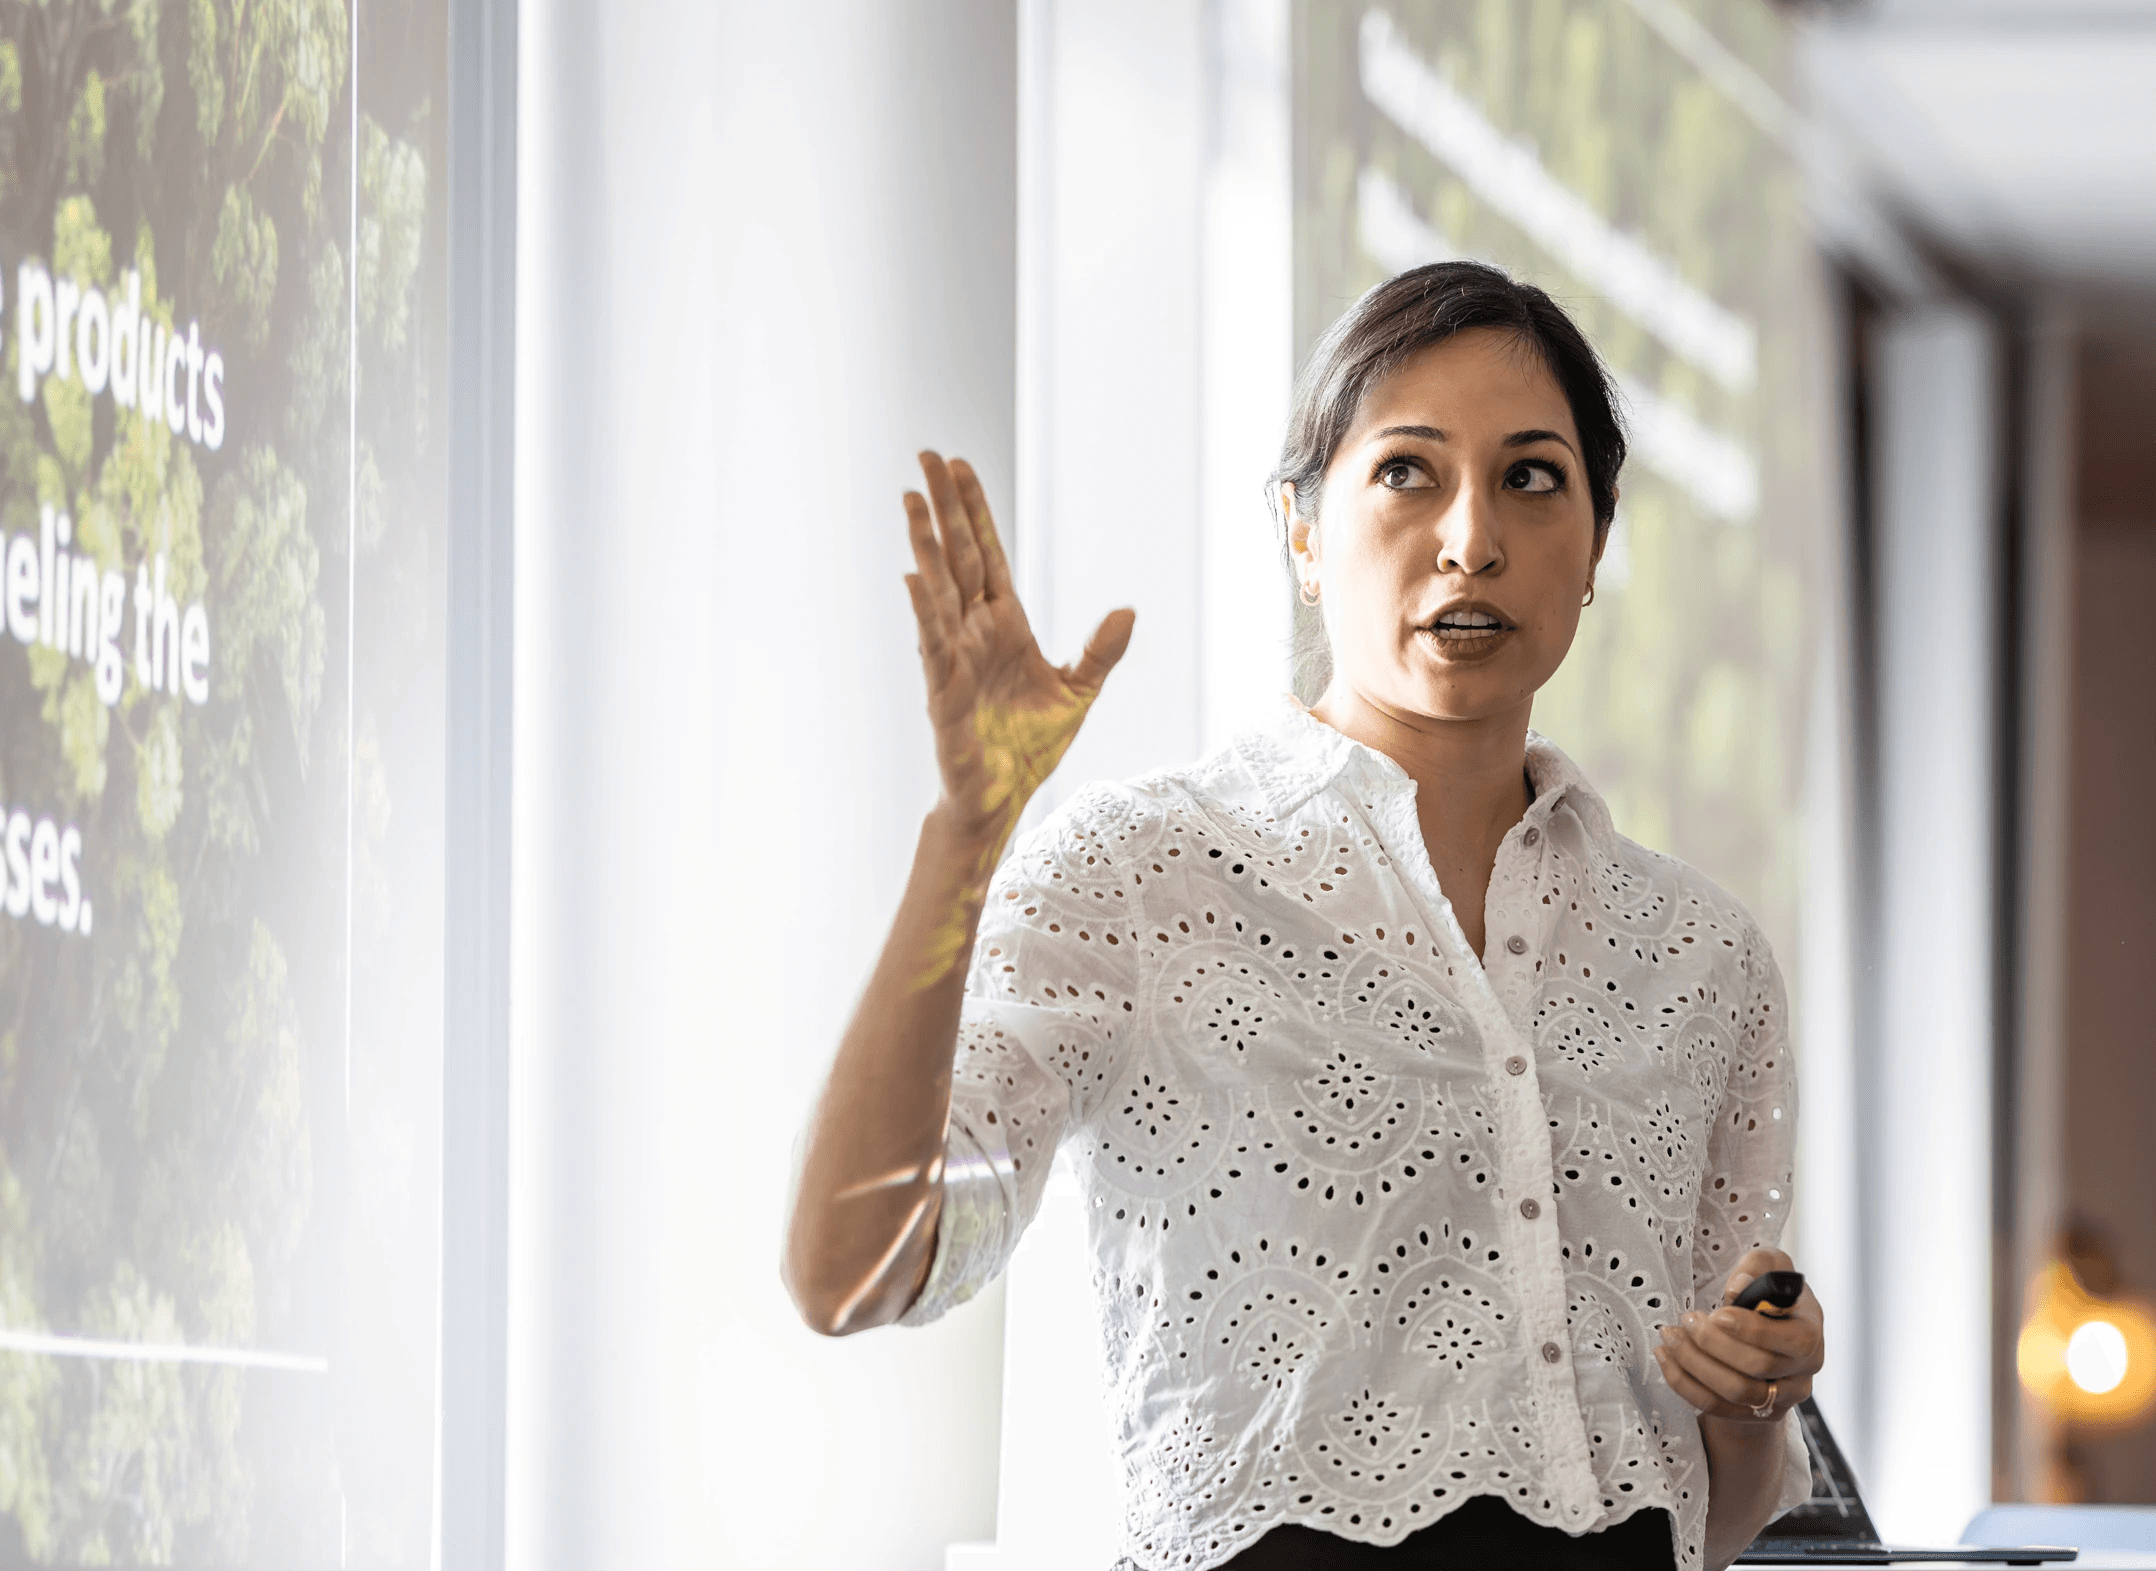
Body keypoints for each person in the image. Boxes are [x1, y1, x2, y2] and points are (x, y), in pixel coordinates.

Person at [783, 261, 1825, 1571]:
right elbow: (857, 1269)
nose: (1471, 539)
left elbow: (1712, 1524)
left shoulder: (1703, 955)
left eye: (1532, 476)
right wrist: (968, 838)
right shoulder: (1137, 872)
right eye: (1406, 471)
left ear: (1597, 545)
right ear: (1301, 531)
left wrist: (1755, 1391)